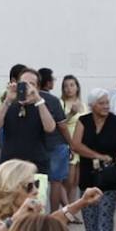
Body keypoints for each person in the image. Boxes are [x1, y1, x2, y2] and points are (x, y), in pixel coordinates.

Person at [72, 88, 116, 231]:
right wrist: (97, 155)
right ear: (92, 106)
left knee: (105, 214)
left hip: (109, 177)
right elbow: (76, 145)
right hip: (88, 175)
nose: (106, 106)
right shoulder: (83, 121)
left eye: (107, 103)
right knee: (89, 214)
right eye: (101, 103)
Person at [0, 68, 60, 185]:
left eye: (31, 84)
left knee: (35, 202)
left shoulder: (42, 105)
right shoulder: (9, 104)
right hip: (10, 167)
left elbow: (50, 128)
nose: (27, 87)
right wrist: (8, 100)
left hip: (36, 168)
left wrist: (38, 99)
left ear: (38, 87)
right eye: (23, 83)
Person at [38, 68, 73, 213]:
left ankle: (38, 213)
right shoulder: (53, 100)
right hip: (56, 144)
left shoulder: (28, 99)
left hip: (39, 145)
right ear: (47, 82)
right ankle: (53, 214)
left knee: (39, 181)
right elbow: (62, 125)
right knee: (56, 182)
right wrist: (71, 143)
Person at [60, 75, 85, 213]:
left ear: (77, 87)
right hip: (68, 144)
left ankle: (73, 210)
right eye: (66, 86)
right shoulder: (61, 103)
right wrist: (71, 113)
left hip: (81, 145)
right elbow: (60, 123)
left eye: (72, 85)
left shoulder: (83, 104)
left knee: (76, 181)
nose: (69, 88)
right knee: (67, 181)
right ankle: (66, 209)